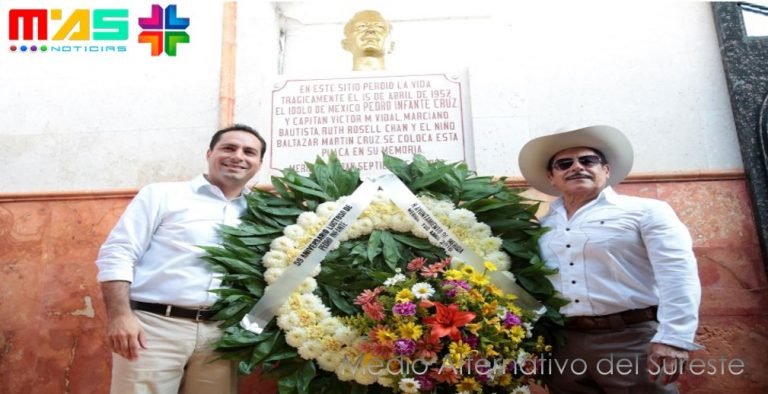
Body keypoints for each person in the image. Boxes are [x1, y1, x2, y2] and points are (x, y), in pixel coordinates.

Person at [517, 125, 702, 393]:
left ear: (606, 170)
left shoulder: (647, 211)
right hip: (563, 343)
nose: (577, 167)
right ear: (551, 177)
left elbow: (678, 273)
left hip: (631, 338)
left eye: (588, 160)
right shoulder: (542, 225)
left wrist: (675, 338)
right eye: (564, 164)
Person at [95, 124, 266, 394]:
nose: (238, 156)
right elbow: (118, 252)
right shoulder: (162, 195)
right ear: (209, 153)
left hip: (220, 336)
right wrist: (119, 316)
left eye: (249, 152)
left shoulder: (262, 213)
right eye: (229, 148)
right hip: (153, 328)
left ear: (259, 164)